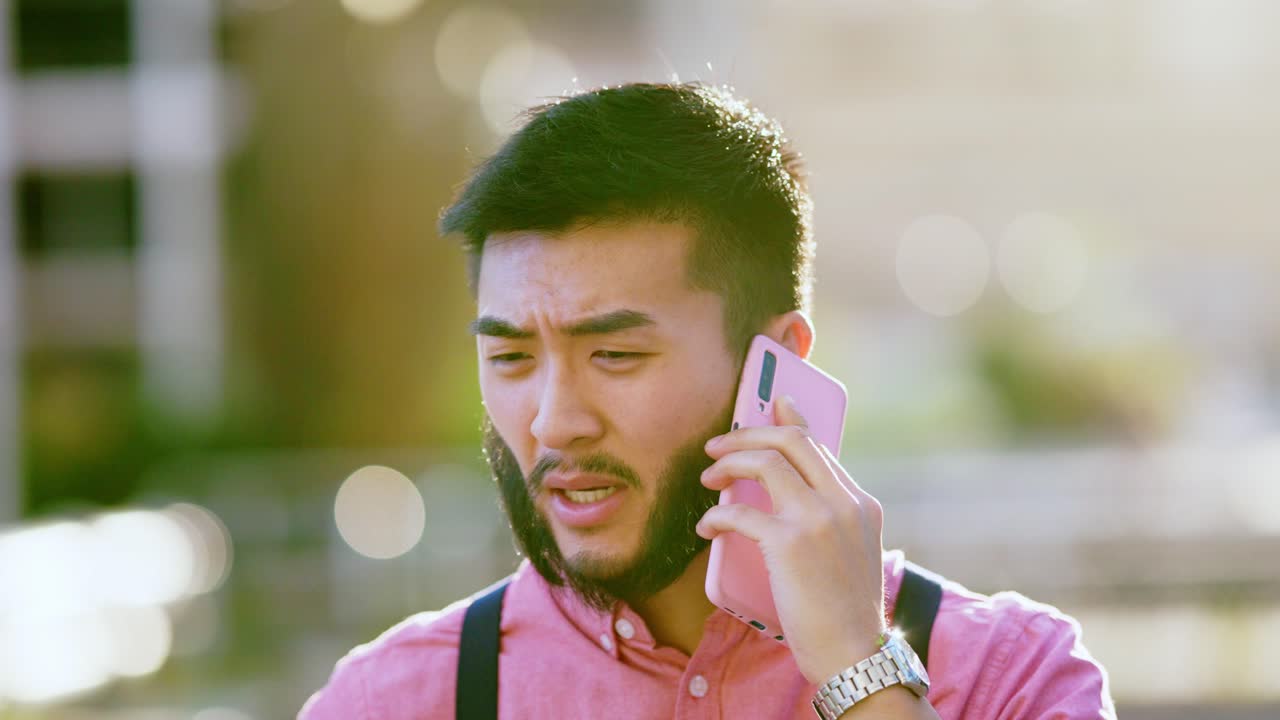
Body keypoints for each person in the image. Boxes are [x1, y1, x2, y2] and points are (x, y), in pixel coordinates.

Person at [299, 82, 1116, 720]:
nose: (553, 420)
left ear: (779, 362)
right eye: (510, 356)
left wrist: (859, 672)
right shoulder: (391, 703)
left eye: (615, 355)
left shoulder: (1011, 679)